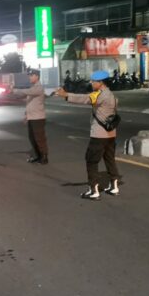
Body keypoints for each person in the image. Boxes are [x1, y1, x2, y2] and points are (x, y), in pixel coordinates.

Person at [55, 70, 120, 200]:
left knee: (91, 161)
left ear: (101, 83)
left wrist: (66, 95)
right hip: (111, 134)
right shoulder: (112, 95)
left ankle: (93, 190)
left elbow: (85, 98)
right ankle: (114, 186)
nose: (91, 83)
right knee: (110, 160)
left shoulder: (101, 95)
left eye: (93, 81)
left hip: (99, 135)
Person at [11, 69, 48, 164]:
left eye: (31, 75)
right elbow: (29, 103)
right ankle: (37, 156)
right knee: (32, 138)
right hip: (32, 117)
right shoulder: (33, 88)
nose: (30, 77)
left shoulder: (38, 88)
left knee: (39, 138)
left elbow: (27, 92)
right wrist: (26, 115)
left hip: (38, 118)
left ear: (37, 76)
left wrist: (14, 90)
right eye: (29, 75)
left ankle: (44, 157)